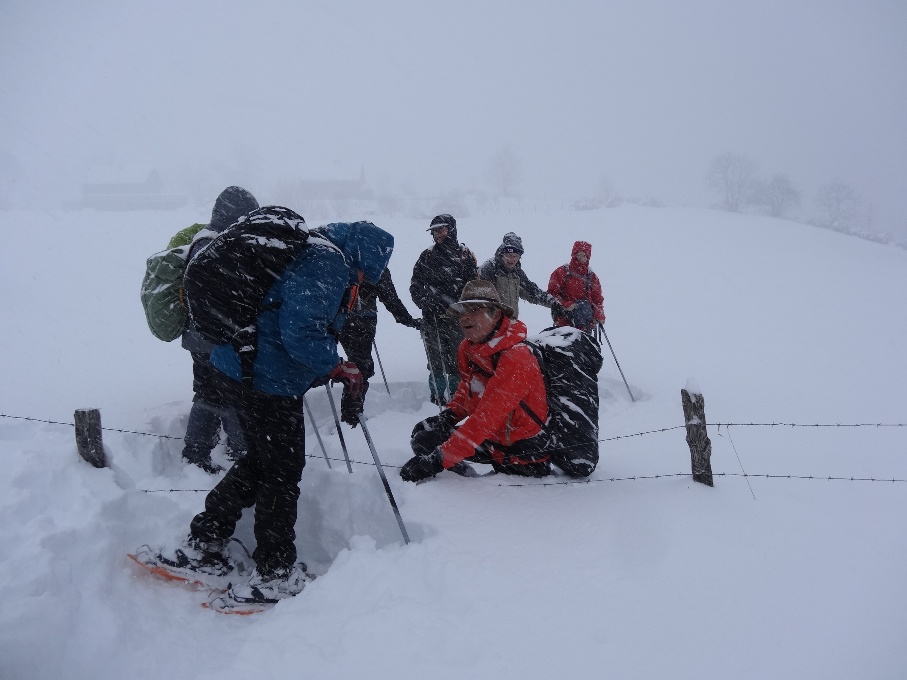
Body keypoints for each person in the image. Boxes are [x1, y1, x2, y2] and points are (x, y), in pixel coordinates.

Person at [135, 216, 394, 608]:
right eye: (365, 273)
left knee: (262, 460)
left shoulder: (307, 249)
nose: (360, 279)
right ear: (365, 259)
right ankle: (273, 573)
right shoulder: (329, 262)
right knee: (282, 472)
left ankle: (204, 543)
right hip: (264, 379)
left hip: (237, 366)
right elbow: (300, 332)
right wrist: (336, 364)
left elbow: (282, 318)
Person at [400, 279, 551, 482]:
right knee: (425, 437)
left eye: (474, 309)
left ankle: (470, 485)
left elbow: (487, 417)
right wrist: (448, 417)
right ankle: (466, 478)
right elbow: (468, 391)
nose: (465, 317)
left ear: (495, 314)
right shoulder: (471, 348)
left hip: (523, 454)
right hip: (494, 440)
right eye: (462, 310)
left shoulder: (517, 356)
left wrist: (438, 460)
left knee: (440, 452)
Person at [179, 186, 259, 473]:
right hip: (217, 338)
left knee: (208, 394)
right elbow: (222, 298)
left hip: (198, 336)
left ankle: (197, 452)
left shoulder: (203, 240)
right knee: (233, 396)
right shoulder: (218, 245)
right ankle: (241, 456)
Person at [409, 214, 477, 405]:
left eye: (441, 229)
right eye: (434, 231)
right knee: (435, 361)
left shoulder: (465, 255)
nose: (437, 234)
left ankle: (458, 395)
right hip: (431, 318)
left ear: (451, 229)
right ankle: (437, 395)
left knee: (459, 359)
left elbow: (473, 286)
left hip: (458, 319)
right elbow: (415, 285)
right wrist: (425, 302)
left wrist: (464, 307)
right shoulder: (427, 256)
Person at [338, 267, 420, 418]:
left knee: (360, 366)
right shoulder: (378, 267)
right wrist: (408, 320)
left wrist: (408, 320)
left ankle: (352, 412)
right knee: (361, 367)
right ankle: (352, 414)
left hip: (348, 319)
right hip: (360, 321)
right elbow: (391, 300)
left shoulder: (349, 259)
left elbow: (391, 299)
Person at [478, 231, 564, 320]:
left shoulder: (517, 272)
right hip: (490, 324)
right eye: (509, 255)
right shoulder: (489, 268)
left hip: (511, 322)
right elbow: (482, 300)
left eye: (516, 256)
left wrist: (554, 303)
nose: (512, 259)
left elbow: (532, 292)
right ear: (502, 253)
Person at [548, 241, 605, 333]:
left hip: (587, 325)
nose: (581, 258)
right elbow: (551, 294)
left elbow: (597, 300)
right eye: (579, 254)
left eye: (584, 256)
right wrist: (565, 304)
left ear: (588, 257)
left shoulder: (592, 277)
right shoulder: (562, 272)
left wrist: (599, 314)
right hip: (564, 323)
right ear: (573, 255)